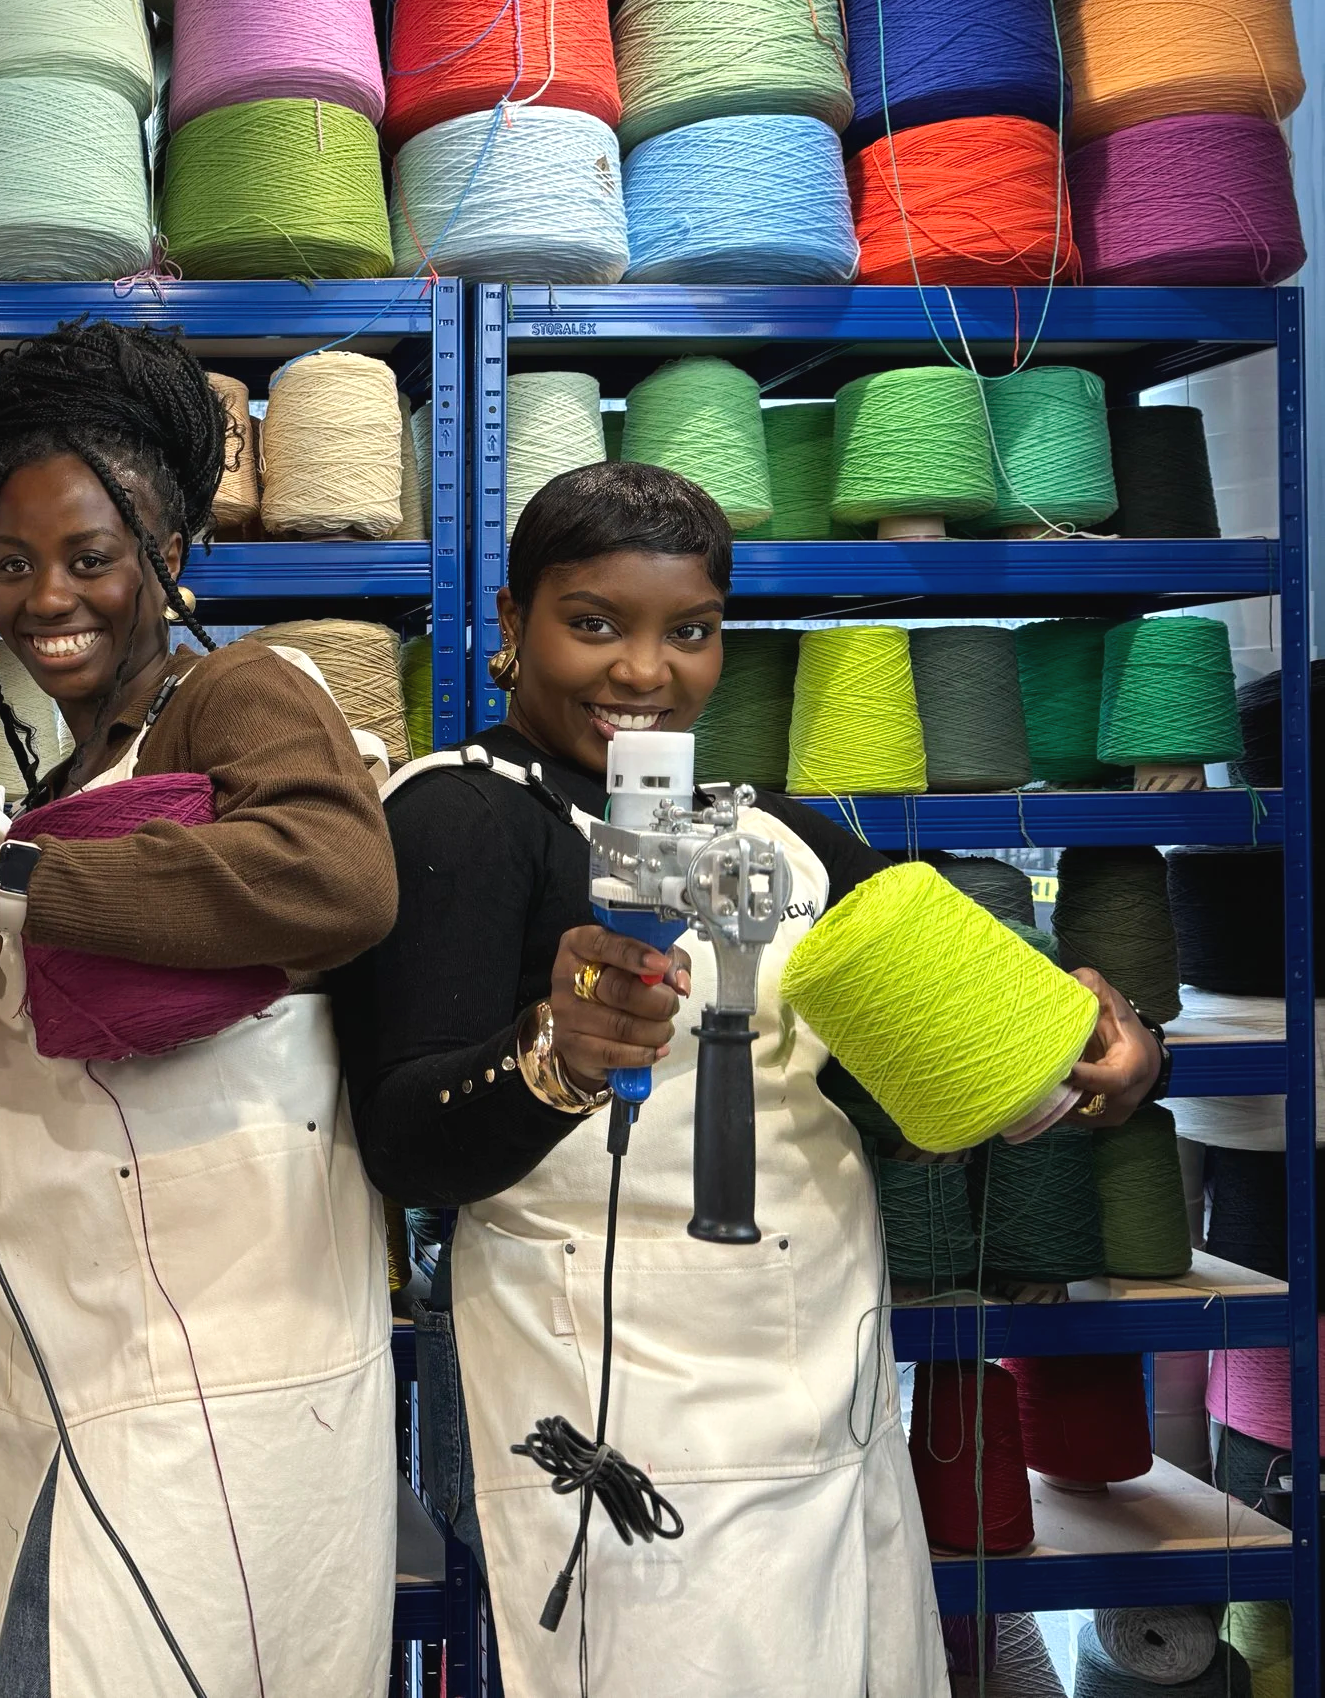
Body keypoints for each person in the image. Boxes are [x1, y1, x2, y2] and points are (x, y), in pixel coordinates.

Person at [328, 461, 1169, 1698]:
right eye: (593, 623)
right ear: (510, 627)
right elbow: (404, 1144)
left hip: (821, 1391)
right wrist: (551, 1060)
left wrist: (1108, 1055)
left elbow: (941, 1075)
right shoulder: (460, 816)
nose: (643, 672)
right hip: (606, 1405)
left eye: (691, 632)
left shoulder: (779, 837)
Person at [0, 321, 402, 1698]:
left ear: (172, 551)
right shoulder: (69, 765)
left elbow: (340, 876)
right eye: (13, 565)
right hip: (55, 1335)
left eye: (91, 557)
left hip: (219, 1352)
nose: (48, 598)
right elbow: (25, 1089)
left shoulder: (243, 689)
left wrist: (13, 868)